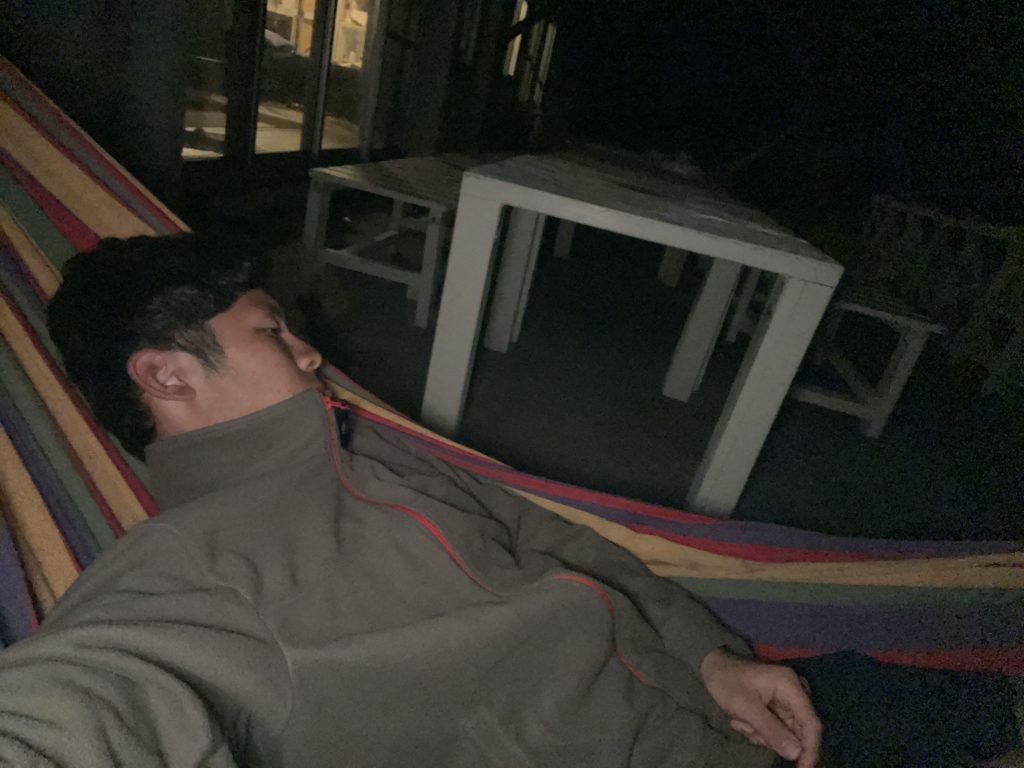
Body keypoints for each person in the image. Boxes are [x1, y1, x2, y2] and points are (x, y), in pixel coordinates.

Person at [0, 234, 821, 767]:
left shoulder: (361, 450)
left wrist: (709, 656)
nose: (311, 354)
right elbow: (78, 704)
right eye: (272, 331)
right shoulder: (190, 566)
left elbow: (548, 534)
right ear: (168, 375)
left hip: (705, 705)